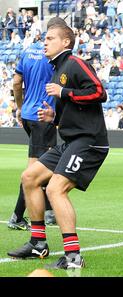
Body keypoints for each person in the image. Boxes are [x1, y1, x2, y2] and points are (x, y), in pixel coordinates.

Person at [7, 21, 109, 270]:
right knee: (29, 177)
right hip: (72, 140)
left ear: (66, 42)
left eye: (50, 38)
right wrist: (55, 119)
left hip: (90, 142)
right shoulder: (56, 69)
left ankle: (73, 257)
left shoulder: (74, 63)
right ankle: (38, 243)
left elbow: (99, 92)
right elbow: (75, 110)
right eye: (45, 38)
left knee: (55, 189)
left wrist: (63, 92)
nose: (45, 42)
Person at [7, 18, 69, 231]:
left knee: (47, 164)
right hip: (44, 116)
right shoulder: (52, 56)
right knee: (35, 169)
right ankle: (17, 216)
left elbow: (16, 82)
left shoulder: (28, 51)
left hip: (28, 115)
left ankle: (50, 211)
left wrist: (20, 106)